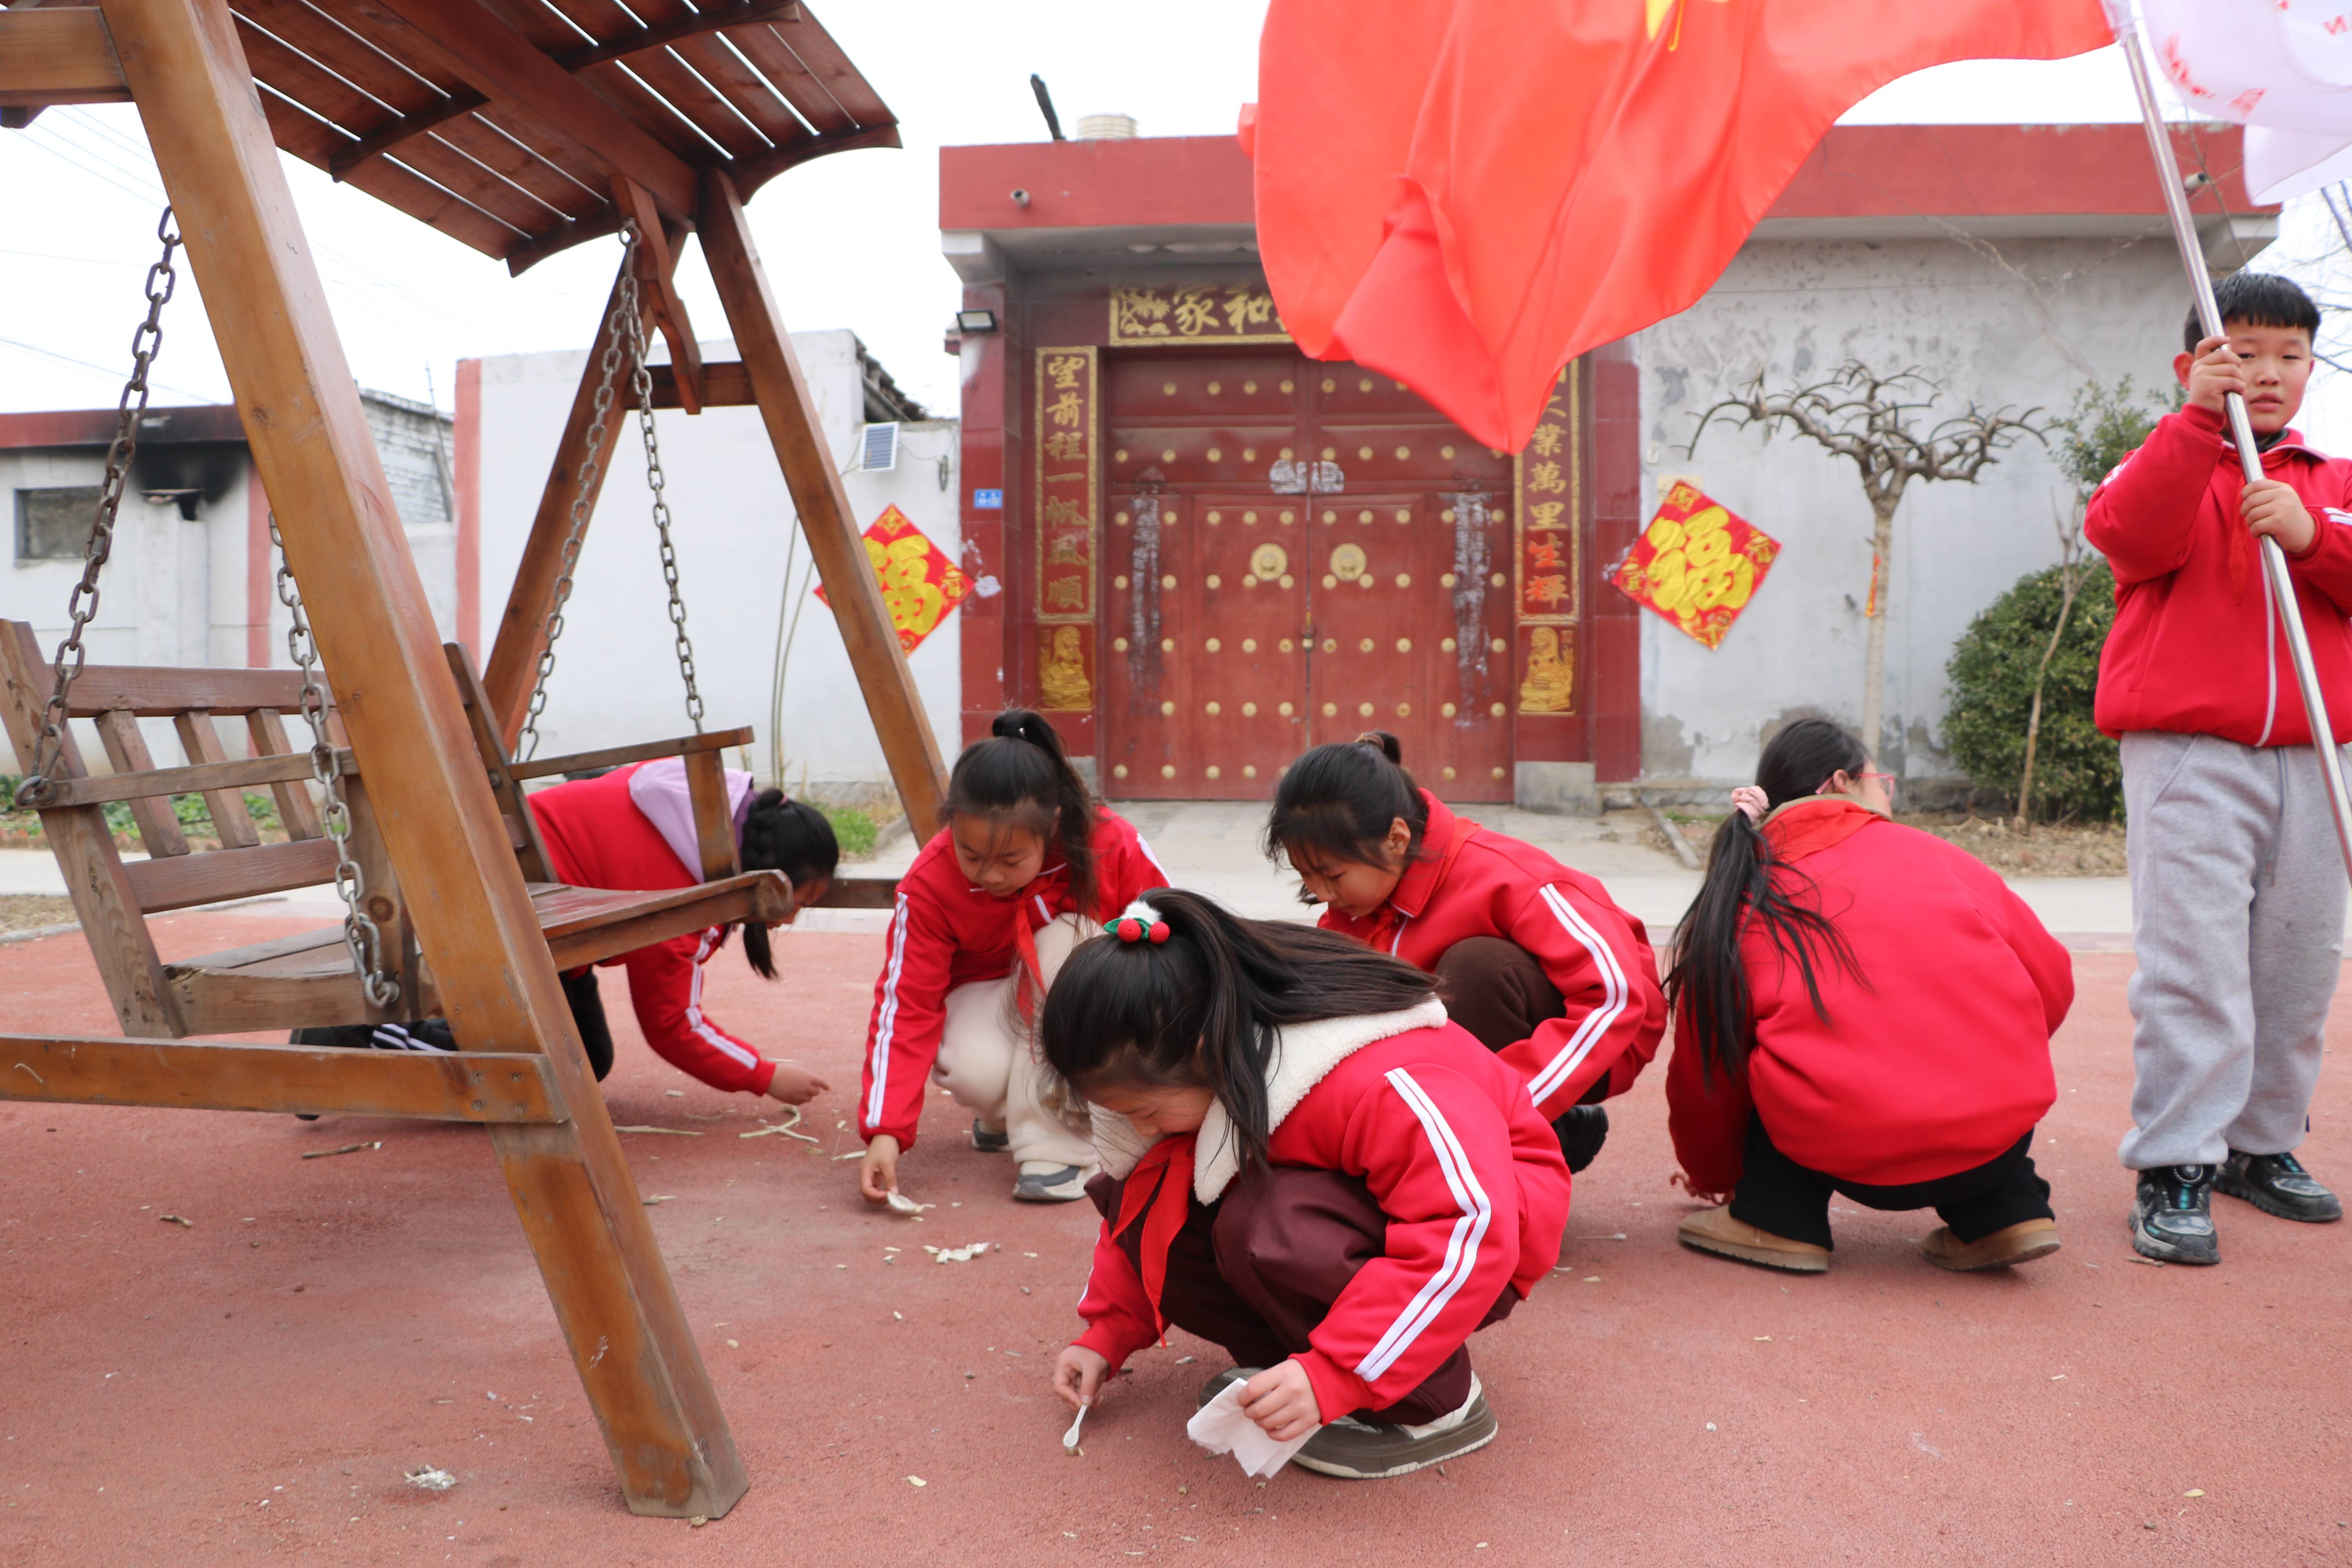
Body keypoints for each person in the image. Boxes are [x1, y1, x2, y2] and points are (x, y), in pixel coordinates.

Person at [1044, 889, 1570, 1481]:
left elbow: (1470, 1229)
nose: (1134, 1126)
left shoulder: (1384, 1075)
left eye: (1141, 1108)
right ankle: (1303, 1365)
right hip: (1383, 1213)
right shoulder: (1223, 1051)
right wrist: (1108, 1331)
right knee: (1142, 1188)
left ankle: (1433, 1404)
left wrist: (1337, 1375)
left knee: (1272, 1225)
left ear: (1203, 1054)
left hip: (1486, 1244)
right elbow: (1145, 1195)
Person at [2085, 272, 2352, 1264]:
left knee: (2296, 964)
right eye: (2244, 353)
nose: (2270, 373)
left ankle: (2261, 1142)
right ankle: (2176, 1161)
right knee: (2194, 966)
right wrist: (2197, 426)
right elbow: (2125, 536)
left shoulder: (2334, 479)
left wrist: (2313, 536)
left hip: (2322, 753)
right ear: (2196, 362)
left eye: (2290, 354)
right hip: (2191, 750)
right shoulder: (2162, 461)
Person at [1664, 719, 2073, 1273]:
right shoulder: (1944, 860)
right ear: (1841, 782)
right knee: (1959, 1061)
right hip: (1991, 1140)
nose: (1888, 794)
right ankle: (2008, 1211)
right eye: (1882, 780)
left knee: (1771, 1054)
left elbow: (1709, 1067)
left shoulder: (1746, 894)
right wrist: (1999, 1050)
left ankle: (1777, 1218)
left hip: (1835, 1147)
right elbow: (2052, 980)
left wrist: (1714, 1176)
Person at [1264, 732, 1663, 1172]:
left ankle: (1521, 1135)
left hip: (1594, 1037)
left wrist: (1512, 1105)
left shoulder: (1505, 875)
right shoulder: (1353, 905)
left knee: (1473, 969)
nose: (1322, 894)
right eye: (1307, 878)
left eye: (1332, 876)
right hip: (1472, 1048)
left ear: (1396, 838)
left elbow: (1616, 996)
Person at [856, 710, 1167, 1205]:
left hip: (1083, 995)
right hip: (990, 999)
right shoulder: (929, 884)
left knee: (1071, 938)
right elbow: (905, 1004)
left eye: (1010, 859)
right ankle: (1007, 1113)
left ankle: (1054, 1146)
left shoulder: (1110, 842)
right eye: (972, 855)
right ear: (951, 825)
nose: (991, 876)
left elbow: (1170, 929)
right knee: (968, 1066)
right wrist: (885, 1131)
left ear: (1054, 826)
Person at [524, 757, 838, 1103]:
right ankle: (456, 1047)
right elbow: (673, 1025)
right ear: (766, 875)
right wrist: (764, 1076)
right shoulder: (681, 896)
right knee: (560, 1072)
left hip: (536, 907)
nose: (790, 919)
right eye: (795, 903)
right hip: (513, 923)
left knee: (588, 1059)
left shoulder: (693, 806)